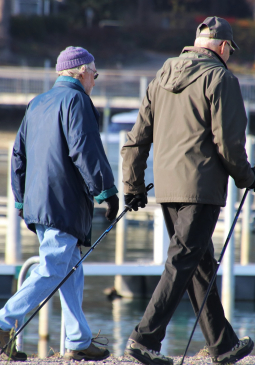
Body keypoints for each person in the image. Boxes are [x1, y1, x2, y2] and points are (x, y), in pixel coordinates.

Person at [121, 16, 255, 365]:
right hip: (201, 188)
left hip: (168, 189)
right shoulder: (222, 78)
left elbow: (136, 139)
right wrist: (246, 177)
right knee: (183, 261)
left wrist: (133, 185)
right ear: (224, 47)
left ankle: (223, 345)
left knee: (198, 264)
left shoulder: (161, 76)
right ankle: (143, 339)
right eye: (229, 49)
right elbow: (229, 141)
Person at [0, 46, 119, 362]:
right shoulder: (77, 100)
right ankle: (3, 321)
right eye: (94, 74)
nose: (95, 79)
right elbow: (85, 149)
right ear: (82, 72)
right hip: (62, 201)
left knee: (70, 269)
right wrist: (106, 191)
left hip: (40, 202)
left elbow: (18, 155)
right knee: (54, 266)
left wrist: (22, 199)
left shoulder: (38, 102)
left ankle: (78, 340)